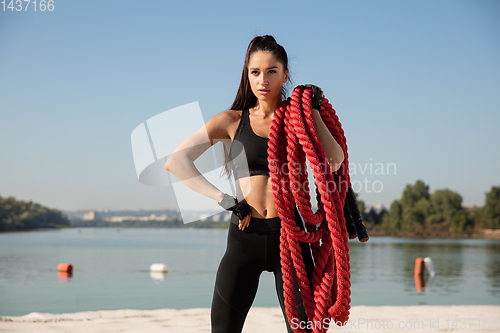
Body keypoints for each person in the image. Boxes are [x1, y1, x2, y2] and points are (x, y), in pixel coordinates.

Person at [165, 35, 345, 333]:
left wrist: (311, 110)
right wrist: (223, 199)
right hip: (243, 237)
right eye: (255, 72)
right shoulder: (231, 121)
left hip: (291, 240)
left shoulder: (298, 121)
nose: (263, 80)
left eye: (272, 71)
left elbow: (335, 159)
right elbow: (177, 161)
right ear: (247, 75)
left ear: (285, 74)